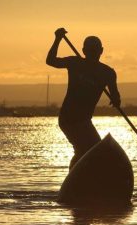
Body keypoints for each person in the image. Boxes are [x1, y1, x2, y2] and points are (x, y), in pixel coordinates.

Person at [46, 28, 121, 169]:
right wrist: (57, 39)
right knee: (86, 150)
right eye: (90, 50)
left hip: (84, 121)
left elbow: (116, 97)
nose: (93, 53)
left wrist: (116, 100)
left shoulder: (108, 73)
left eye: (95, 50)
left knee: (91, 151)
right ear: (84, 51)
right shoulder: (75, 63)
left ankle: (85, 179)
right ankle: (75, 180)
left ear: (101, 51)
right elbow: (50, 61)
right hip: (68, 119)